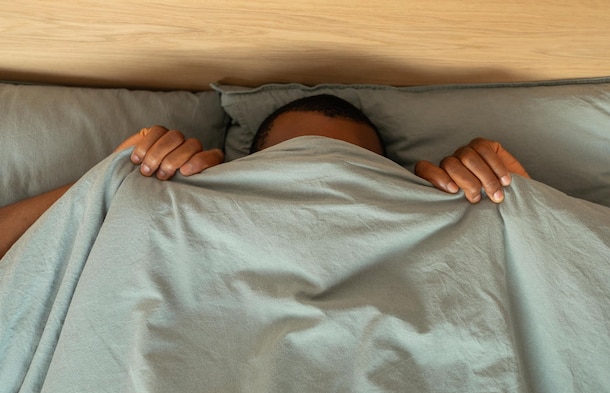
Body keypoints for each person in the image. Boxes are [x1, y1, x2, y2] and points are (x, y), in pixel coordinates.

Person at [0, 94, 529, 259]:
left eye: (353, 165)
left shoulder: (458, 214)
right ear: (242, 169)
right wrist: (105, 179)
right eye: (293, 158)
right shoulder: (155, 199)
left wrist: (519, 199)